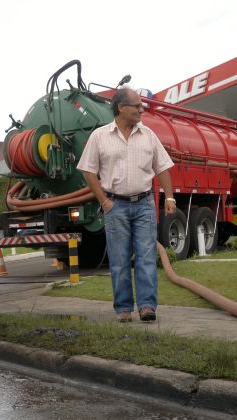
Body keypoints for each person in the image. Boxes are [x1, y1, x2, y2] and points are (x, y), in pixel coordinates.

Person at [77, 87, 176, 322]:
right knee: (119, 259)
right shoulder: (99, 136)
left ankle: (147, 306)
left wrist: (169, 197)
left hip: (144, 205)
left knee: (146, 256)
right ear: (121, 107)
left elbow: (162, 167)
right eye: (137, 106)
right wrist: (104, 201)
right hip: (115, 206)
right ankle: (123, 309)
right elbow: (88, 171)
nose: (142, 110)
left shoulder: (148, 135)